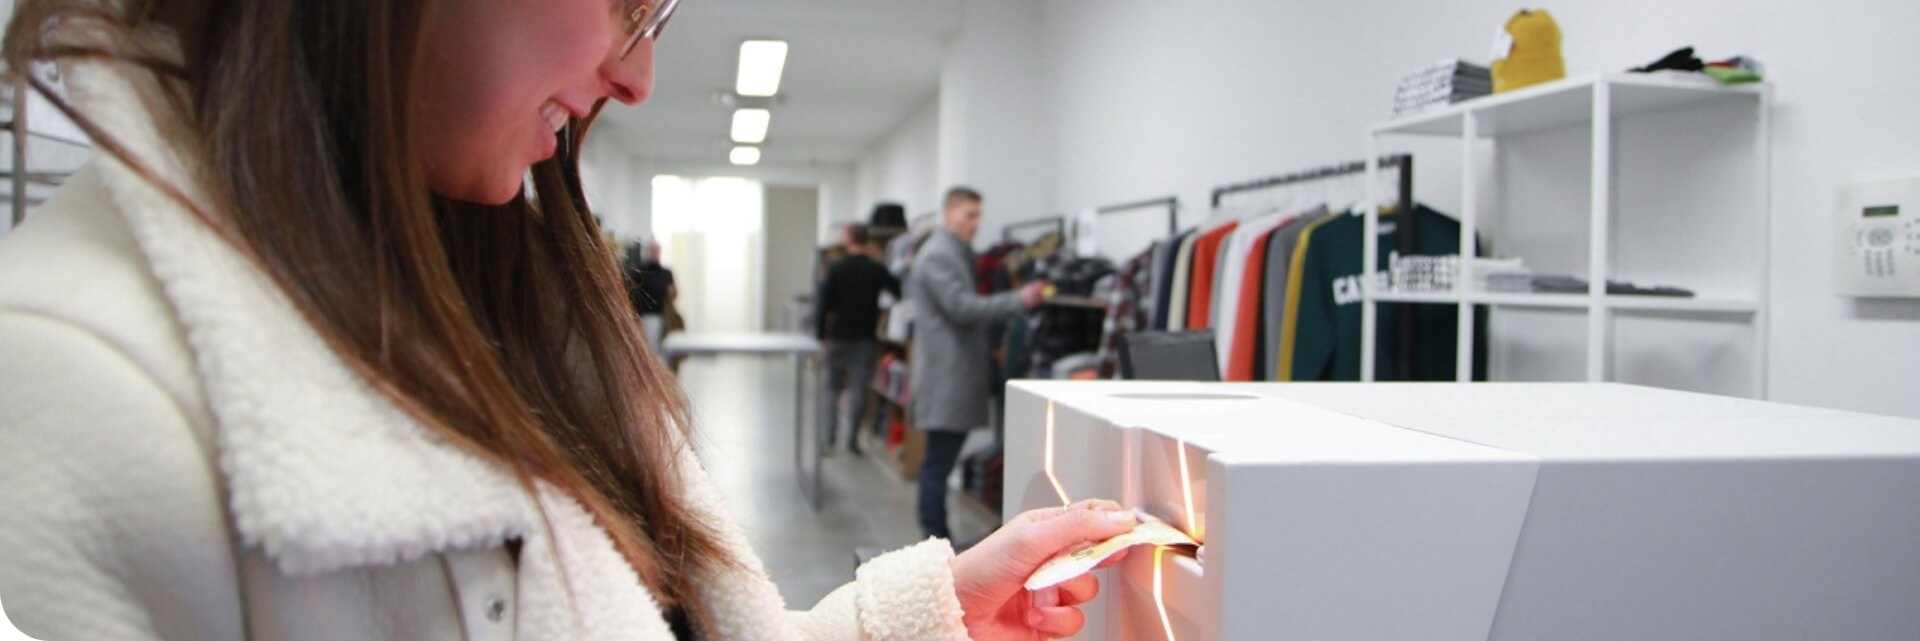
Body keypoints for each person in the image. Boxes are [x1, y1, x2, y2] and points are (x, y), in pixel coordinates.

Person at [0, 2, 1136, 640]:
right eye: (627, 1)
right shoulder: (78, 382)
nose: (636, 76)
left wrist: (927, 613)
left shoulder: (513, 287)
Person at [907, 187, 1048, 540]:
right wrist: (1019, 299)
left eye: (978, 215)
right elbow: (962, 307)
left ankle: (936, 539)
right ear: (948, 213)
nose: (976, 223)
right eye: (969, 215)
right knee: (938, 462)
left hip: (951, 376)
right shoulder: (940, 255)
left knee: (939, 460)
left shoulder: (954, 253)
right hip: (947, 379)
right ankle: (935, 540)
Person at [814, 223, 899, 455]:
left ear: (848, 238)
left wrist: (821, 334)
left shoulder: (835, 268)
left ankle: (828, 437)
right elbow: (898, 291)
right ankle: (852, 441)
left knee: (832, 388)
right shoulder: (877, 269)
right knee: (860, 390)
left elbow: (823, 305)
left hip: (839, 337)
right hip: (866, 338)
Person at [624, 238, 677, 349]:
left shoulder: (666, 273)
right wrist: (636, 320)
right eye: (652, 250)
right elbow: (632, 296)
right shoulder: (640, 273)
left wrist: (672, 292)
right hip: (646, 317)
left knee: (663, 351)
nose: (655, 252)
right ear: (648, 251)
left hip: (664, 317)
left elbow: (674, 294)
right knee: (649, 350)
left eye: (657, 250)